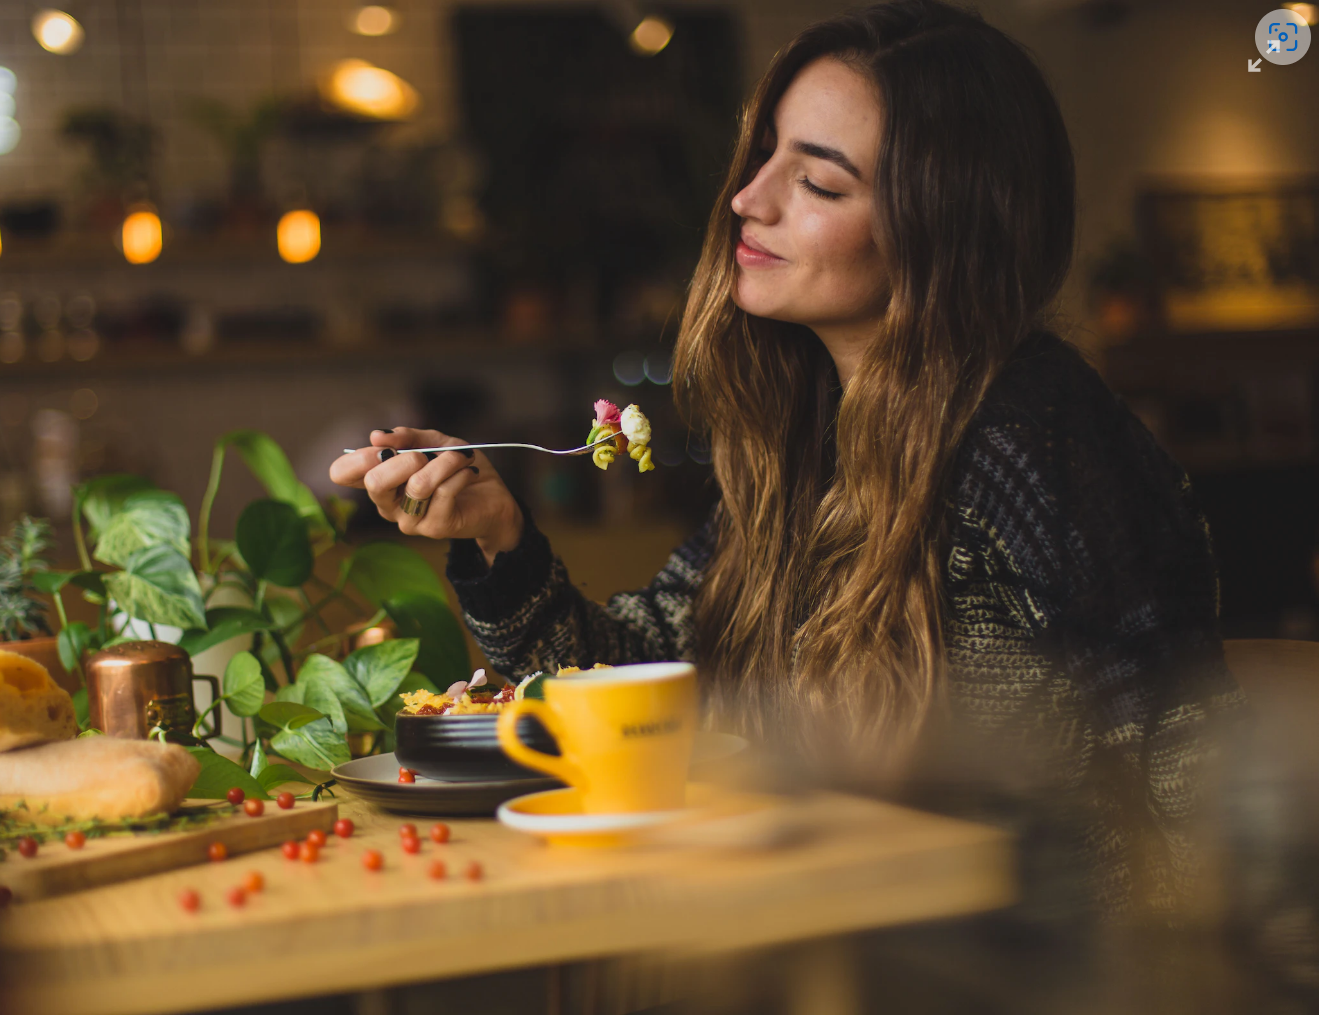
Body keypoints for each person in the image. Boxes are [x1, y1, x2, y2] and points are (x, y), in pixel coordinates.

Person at [329, 0, 1240, 919]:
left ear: (942, 231)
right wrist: (498, 533)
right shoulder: (815, 442)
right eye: (764, 153)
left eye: (822, 184)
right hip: (840, 933)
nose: (746, 198)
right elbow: (645, 681)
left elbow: (1190, 769)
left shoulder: (1034, 442)